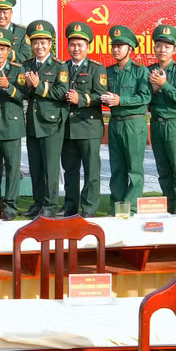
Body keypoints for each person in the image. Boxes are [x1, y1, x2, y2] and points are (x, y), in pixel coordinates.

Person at [101, 25, 150, 212]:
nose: (115, 50)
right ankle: (117, 207)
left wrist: (121, 100)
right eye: (113, 46)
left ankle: (132, 208)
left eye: (120, 46)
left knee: (134, 169)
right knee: (117, 168)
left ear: (130, 49)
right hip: (115, 123)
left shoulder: (140, 71)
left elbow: (145, 97)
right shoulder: (109, 71)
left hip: (134, 123)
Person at [22, 20, 68, 218]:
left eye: (43, 43)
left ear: (50, 44)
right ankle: (38, 202)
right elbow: (23, 92)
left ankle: (49, 205)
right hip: (33, 122)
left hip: (51, 122)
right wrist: (28, 87)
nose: (39, 46)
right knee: (36, 166)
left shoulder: (59, 66)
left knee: (50, 167)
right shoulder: (26, 65)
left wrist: (38, 86)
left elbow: (62, 92)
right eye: (35, 43)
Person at [61, 22, 107, 218]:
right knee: (69, 170)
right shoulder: (62, 67)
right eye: (72, 44)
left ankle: (89, 208)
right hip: (67, 128)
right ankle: (70, 206)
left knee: (91, 171)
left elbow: (101, 95)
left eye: (80, 45)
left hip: (88, 126)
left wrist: (80, 99)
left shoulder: (97, 68)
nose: (76, 49)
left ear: (88, 47)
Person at [148, 25, 176, 213]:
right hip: (156, 124)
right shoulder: (148, 71)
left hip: (175, 125)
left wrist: (164, 85)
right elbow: (143, 100)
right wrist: (153, 90)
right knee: (163, 171)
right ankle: (168, 208)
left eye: (167, 47)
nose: (162, 50)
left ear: (174, 50)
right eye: (159, 46)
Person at [0, 29, 26, 221]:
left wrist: (8, 87)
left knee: (12, 167)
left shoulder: (17, 70)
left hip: (10, 125)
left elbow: (23, 95)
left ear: (9, 51)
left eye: (2, 49)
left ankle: (10, 205)